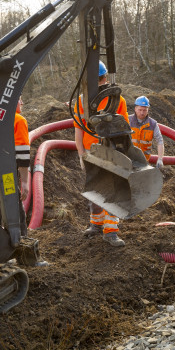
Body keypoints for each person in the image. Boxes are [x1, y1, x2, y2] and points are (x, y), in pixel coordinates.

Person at [74, 61, 128, 247]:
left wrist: (123, 155)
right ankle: (96, 224)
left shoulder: (117, 100)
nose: (101, 82)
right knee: (94, 189)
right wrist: (82, 154)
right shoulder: (82, 101)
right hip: (91, 152)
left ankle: (111, 231)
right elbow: (78, 129)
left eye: (102, 79)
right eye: (99, 79)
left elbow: (124, 129)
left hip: (111, 151)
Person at [129, 95, 165, 169]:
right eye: (140, 110)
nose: (142, 113)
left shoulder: (153, 124)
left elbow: (160, 141)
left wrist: (160, 159)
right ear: (135, 108)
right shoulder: (128, 121)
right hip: (128, 159)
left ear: (148, 109)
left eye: (144, 110)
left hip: (144, 161)